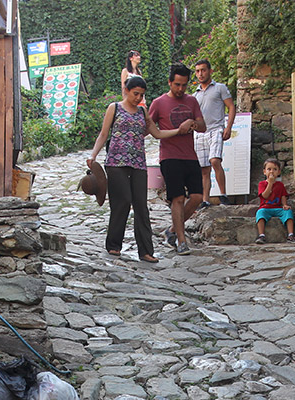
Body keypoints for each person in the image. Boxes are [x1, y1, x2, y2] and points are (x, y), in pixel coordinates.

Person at [89, 75, 193, 263]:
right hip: (116, 162)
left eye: (141, 95)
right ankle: (113, 245)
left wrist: (178, 131)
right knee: (122, 202)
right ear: (126, 91)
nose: (138, 98)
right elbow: (104, 134)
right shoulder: (114, 108)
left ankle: (146, 251)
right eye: (135, 94)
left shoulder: (143, 112)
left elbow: (157, 133)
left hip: (138, 163)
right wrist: (93, 155)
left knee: (141, 206)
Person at [148, 64, 206, 256]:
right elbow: (149, 126)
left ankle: (172, 230)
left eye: (184, 85)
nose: (181, 89)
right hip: (169, 156)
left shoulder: (192, 101)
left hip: (190, 155)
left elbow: (203, 126)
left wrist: (193, 123)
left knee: (197, 197)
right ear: (170, 82)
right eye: (177, 85)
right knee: (178, 198)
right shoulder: (158, 103)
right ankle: (181, 241)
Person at [192, 59, 234, 208]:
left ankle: (223, 195)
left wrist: (228, 127)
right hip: (200, 133)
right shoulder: (194, 95)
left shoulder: (219, 88)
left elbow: (231, 106)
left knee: (215, 160)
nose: (200, 74)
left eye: (203, 70)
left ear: (210, 71)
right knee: (204, 169)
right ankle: (205, 199)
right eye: (197, 71)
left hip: (216, 128)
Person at [255, 158, 295, 244]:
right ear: (264, 172)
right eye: (269, 169)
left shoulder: (280, 185)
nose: (272, 172)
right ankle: (261, 235)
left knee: (288, 212)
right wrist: (270, 184)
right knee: (260, 213)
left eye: (275, 169)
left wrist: (284, 204)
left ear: (279, 172)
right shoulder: (262, 184)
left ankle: (290, 235)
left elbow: (283, 195)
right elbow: (265, 195)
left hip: (278, 208)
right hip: (266, 208)